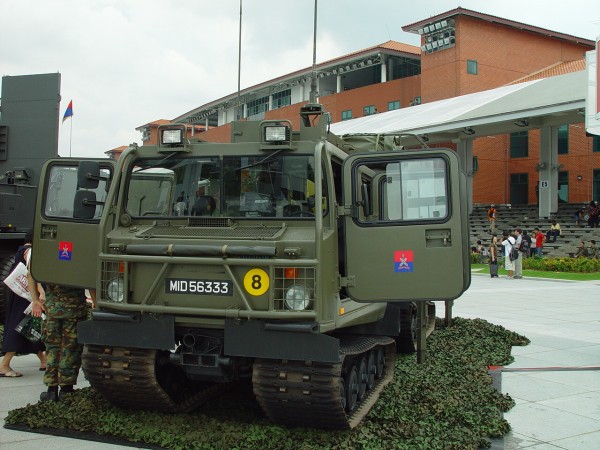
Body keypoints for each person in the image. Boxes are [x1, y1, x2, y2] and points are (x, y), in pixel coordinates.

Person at [28, 256, 94, 401]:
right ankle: (66, 390)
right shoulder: (80, 252)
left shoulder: (46, 252)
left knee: (52, 349)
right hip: (74, 311)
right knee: (71, 349)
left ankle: (51, 390)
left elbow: (31, 274)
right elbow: (91, 282)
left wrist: (35, 300)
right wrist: (96, 304)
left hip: (52, 310)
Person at [0, 230, 46, 377]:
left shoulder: (21, 250)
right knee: (22, 327)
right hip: (27, 298)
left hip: (21, 295)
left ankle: (43, 360)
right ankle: (4, 365)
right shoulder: (30, 251)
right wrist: (40, 294)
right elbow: (32, 273)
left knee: (33, 326)